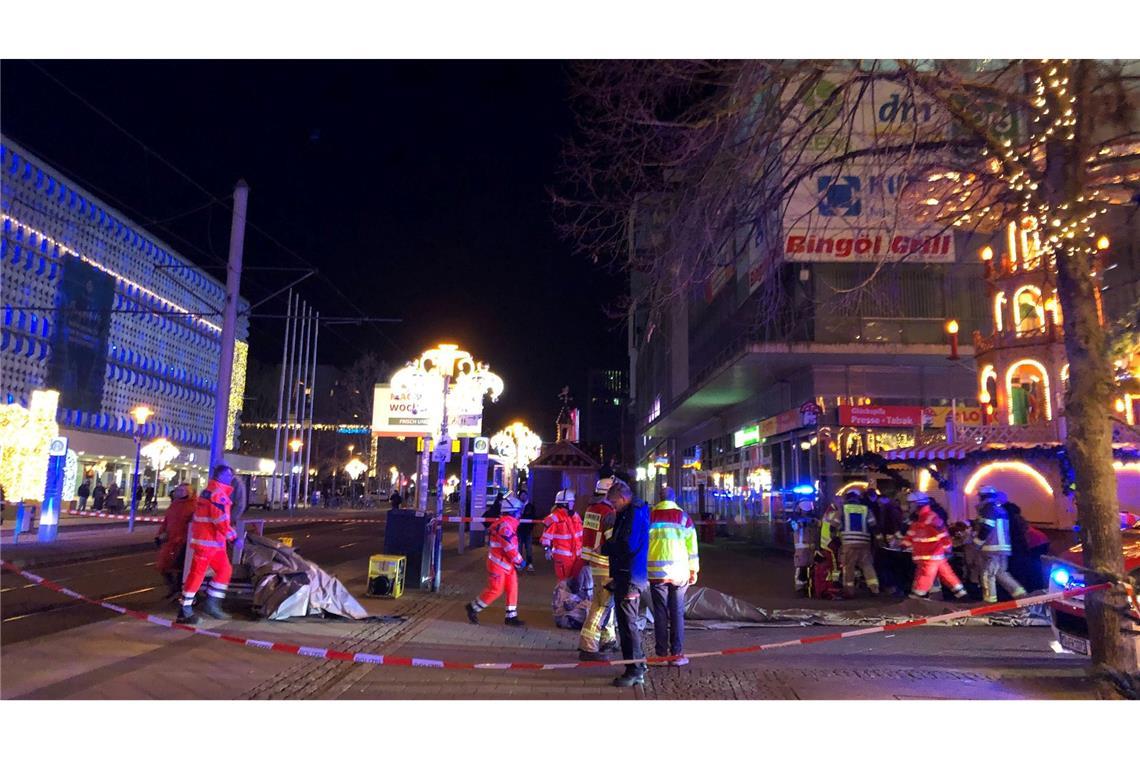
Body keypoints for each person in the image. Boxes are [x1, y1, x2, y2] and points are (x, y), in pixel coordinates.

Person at [600, 480, 649, 687]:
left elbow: (627, 544)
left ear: (623, 498)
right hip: (628, 574)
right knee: (627, 623)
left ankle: (634, 669)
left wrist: (608, 547)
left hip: (629, 575)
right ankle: (637, 664)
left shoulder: (633, 514)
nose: (613, 507)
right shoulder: (632, 512)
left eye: (614, 503)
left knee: (627, 624)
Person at [178, 464, 238, 623]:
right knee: (197, 575)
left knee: (224, 570)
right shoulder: (219, 495)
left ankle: (211, 604)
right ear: (222, 476)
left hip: (212, 543)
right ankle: (185, 610)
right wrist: (234, 537)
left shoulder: (209, 492)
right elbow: (220, 520)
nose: (232, 479)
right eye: (230, 476)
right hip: (208, 543)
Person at [647, 486, 699, 667]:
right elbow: (692, 547)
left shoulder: (650, 517)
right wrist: (694, 569)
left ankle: (661, 655)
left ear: (659, 499)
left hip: (656, 574)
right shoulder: (683, 518)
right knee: (677, 613)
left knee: (660, 613)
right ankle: (676, 654)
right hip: (679, 573)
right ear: (674, 498)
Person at [465, 493, 527, 626]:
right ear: (512, 512)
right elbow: (509, 547)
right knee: (495, 589)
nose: (520, 514)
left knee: (513, 587)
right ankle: (473, 607)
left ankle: (511, 616)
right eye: (518, 511)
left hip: (505, 563)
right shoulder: (505, 526)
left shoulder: (507, 524)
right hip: (498, 563)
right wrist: (520, 561)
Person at [577, 477, 619, 660]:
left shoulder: (591, 508)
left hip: (594, 562)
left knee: (606, 602)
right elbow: (612, 541)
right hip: (605, 563)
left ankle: (608, 639)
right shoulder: (609, 512)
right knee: (601, 605)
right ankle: (588, 646)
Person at [902, 492, 968, 600]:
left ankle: (916, 598)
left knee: (924, 577)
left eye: (911, 504)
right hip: (931, 555)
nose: (909, 506)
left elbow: (943, 534)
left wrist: (947, 548)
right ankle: (962, 595)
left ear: (918, 504)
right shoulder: (920, 519)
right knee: (947, 575)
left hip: (931, 555)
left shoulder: (930, 518)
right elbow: (912, 534)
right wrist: (904, 544)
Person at [973, 486, 1027, 603]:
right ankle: (1022, 597)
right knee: (1002, 574)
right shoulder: (1000, 508)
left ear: (982, 496)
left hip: (992, 549)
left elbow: (987, 527)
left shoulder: (988, 508)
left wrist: (977, 542)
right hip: (1003, 549)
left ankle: (989, 605)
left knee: (988, 576)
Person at [830, 489, 880, 597]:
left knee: (848, 567)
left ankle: (849, 590)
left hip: (849, 543)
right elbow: (874, 526)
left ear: (847, 497)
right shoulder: (866, 509)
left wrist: (834, 538)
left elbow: (833, 525)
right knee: (867, 565)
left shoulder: (843, 509)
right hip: (864, 542)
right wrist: (879, 539)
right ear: (858, 498)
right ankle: (874, 588)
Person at [155, 484, 197, 598]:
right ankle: (173, 588)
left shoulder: (194, 506)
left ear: (190, 492)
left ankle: (179, 590)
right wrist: (159, 534)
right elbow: (167, 522)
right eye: (179, 490)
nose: (180, 492)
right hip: (171, 541)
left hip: (184, 543)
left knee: (180, 568)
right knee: (163, 566)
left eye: (183, 490)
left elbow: (194, 525)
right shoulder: (174, 505)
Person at [541, 489, 584, 581]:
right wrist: (547, 549)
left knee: (575, 584)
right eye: (571, 502)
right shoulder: (554, 518)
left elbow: (581, 534)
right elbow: (546, 537)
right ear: (565, 503)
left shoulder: (575, 516)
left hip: (577, 556)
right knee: (564, 584)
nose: (573, 504)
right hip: (563, 557)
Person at [789, 499, 820, 593]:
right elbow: (795, 526)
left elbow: (820, 524)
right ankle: (800, 587)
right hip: (801, 548)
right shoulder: (795, 520)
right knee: (801, 568)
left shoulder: (814, 520)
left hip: (811, 548)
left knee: (811, 568)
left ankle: (810, 585)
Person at [517, 489, 536, 573]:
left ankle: (529, 564)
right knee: (519, 548)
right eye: (521, 495)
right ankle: (519, 564)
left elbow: (533, 517)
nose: (523, 496)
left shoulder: (531, 506)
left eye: (524, 495)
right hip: (519, 530)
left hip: (527, 531)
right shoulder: (517, 506)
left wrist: (530, 527)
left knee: (528, 548)